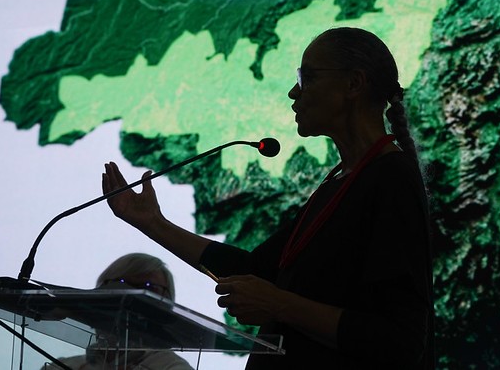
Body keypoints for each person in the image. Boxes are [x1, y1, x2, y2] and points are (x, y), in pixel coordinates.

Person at [102, 27, 435, 369]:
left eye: (308, 78)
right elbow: (256, 272)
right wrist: (152, 223)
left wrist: (278, 304)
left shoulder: (391, 177)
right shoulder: (339, 181)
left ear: (353, 84)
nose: (294, 92)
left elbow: (399, 340)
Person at [45, 253, 193, 370]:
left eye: (149, 289)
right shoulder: (62, 367)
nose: (131, 300)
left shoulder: (172, 367)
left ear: (166, 310)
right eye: (120, 285)